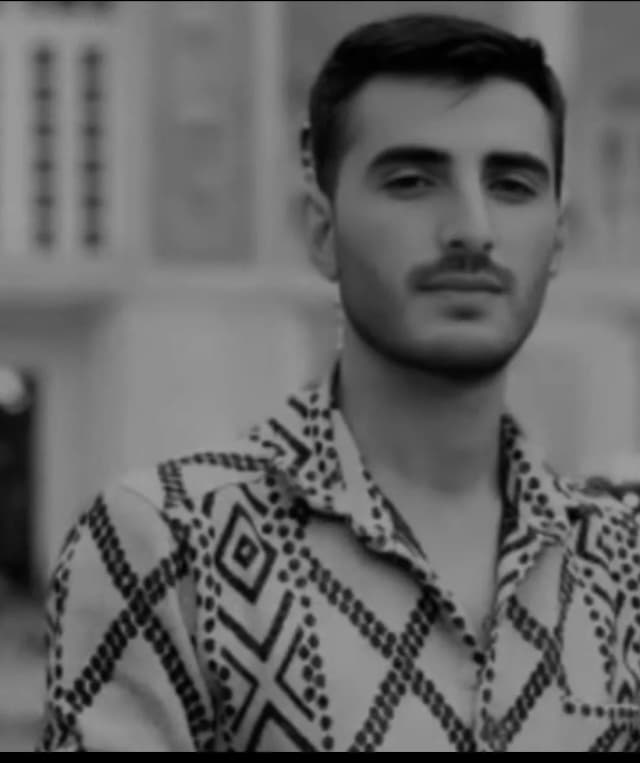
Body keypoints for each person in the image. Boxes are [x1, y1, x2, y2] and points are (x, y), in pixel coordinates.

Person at [38, 12, 640, 752]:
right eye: (412, 181)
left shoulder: (622, 564)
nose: (472, 228)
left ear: (560, 236)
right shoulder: (171, 542)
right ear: (321, 232)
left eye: (512, 184)